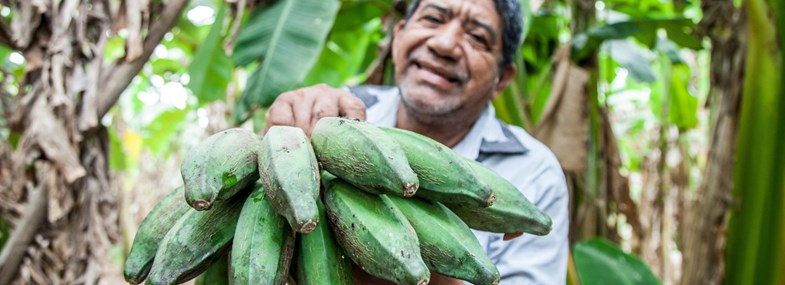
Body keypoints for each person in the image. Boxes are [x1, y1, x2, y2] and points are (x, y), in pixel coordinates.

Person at [263, 0, 569, 283]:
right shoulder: (340, 112)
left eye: (477, 37)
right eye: (433, 19)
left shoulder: (532, 170)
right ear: (398, 37)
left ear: (501, 79)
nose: (445, 44)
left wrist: (407, 266)